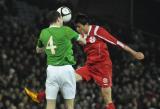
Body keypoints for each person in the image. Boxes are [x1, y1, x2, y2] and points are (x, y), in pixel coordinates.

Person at [25, 14, 144, 109]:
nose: (77, 29)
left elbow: (116, 42)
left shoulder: (98, 30)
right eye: (76, 27)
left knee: (107, 99)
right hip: (89, 67)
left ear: (86, 25)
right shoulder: (81, 36)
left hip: (103, 68)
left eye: (79, 27)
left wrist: (134, 53)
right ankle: (39, 97)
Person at [34, 11, 86, 109]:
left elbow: (38, 50)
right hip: (66, 70)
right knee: (69, 106)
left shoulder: (43, 32)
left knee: (50, 105)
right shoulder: (66, 30)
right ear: (58, 19)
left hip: (52, 71)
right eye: (61, 18)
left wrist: (48, 46)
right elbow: (83, 41)